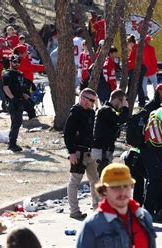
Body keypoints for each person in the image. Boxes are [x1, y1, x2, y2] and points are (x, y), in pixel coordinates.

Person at [76, 163, 157, 248]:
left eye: (126, 186)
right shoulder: (92, 225)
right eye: (115, 187)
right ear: (104, 190)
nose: (122, 192)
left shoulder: (143, 216)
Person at [64, 88, 100, 220]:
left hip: (91, 153)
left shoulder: (91, 113)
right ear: (83, 99)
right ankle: (74, 211)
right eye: (91, 100)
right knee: (74, 181)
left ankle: (98, 208)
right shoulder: (75, 113)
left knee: (95, 181)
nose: (93, 103)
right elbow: (68, 135)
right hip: (79, 153)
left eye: (95, 101)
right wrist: (71, 153)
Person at [92, 89, 129, 176]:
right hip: (101, 151)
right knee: (102, 181)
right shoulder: (106, 110)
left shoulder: (109, 111)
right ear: (117, 99)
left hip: (104, 150)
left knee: (104, 181)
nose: (124, 104)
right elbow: (121, 120)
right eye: (123, 101)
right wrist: (125, 108)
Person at [2, 55, 28, 152]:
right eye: (14, 62)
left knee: (17, 122)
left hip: (20, 100)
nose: (17, 64)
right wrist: (12, 98)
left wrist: (25, 95)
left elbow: (20, 87)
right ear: (10, 62)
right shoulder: (7, 74)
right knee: (16, 121)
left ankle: (11, 141)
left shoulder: (20, 74)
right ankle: (12, 144)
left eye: (18, 62)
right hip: (13, 102)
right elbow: (5, 88)